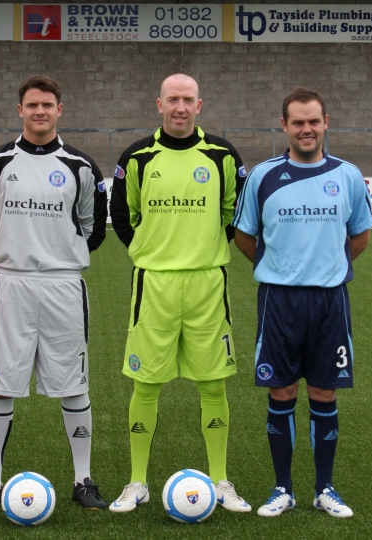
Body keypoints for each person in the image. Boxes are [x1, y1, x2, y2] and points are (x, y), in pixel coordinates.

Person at [108, 74, 251, 513]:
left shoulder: (222, 155)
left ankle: (221, 481)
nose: (180, 107)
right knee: (146, 384)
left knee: (213, 383)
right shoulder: (138, 157)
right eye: (173, 99)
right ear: (159, 104)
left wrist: (204, 247)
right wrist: (150, 251)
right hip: (154, 283)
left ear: (199, 105)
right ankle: (137, 482)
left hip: (207, 283)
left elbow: (234, 212)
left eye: (188, 99)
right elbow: (122, 213)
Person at [0, 75, 108, 511]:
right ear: (20, 110)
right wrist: (20, 251)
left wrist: (56, 253)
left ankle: (83, 479)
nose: (40, 111)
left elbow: (93, 229)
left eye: (47, 104)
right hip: (11, 283)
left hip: (63, 284)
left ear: (59, 110)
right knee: (0, 382)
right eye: (32, 105)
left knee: (73, 383)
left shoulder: (80, 166)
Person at [233, 87, 372, 518]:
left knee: (324, 391)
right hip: (279, 300)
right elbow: (244, 235)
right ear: (284, 126)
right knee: (281, 389)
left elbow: (361, 235)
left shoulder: (348, 175)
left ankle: (325, 488)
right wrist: (281, 267)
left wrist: (327, 267)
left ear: (326, 122)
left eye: (314, 121)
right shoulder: (263, 176)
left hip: (330, 301)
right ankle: (283, 489)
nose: (306, 129)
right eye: (298, 122)